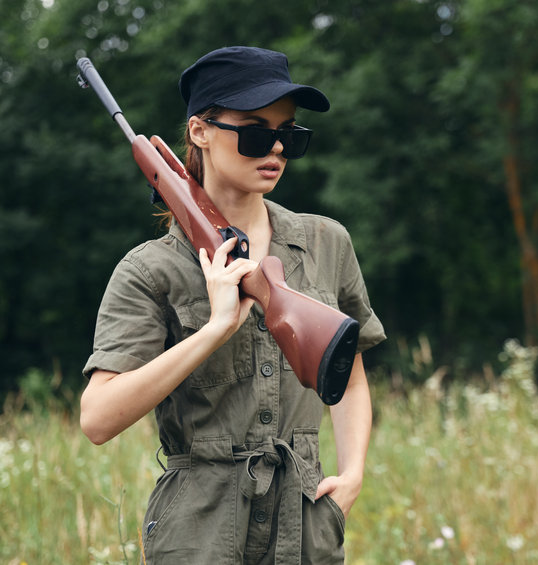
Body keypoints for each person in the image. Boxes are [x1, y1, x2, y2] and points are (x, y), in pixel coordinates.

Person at [79, 46, 386, 564]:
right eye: (255, 131)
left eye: (289, 134)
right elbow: (98, 419)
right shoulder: (150, 269)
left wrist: (352, 474)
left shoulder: (326, 242)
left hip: (304, 526)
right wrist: (214, 330)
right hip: (199, 532)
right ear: (200, 131)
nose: (276, 149)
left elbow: (348, 373)